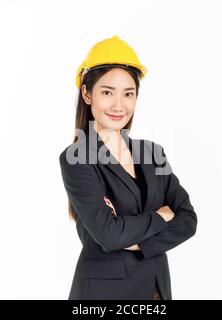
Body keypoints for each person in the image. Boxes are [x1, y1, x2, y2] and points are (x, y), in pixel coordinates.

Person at [59, 35, 197, 300]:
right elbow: (109, 236)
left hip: (157, 290)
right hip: (104, 294)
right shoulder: (77, 158)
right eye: (107, 92)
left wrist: (132, 237)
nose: (118, 105)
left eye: (128, 93)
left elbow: (188, 220)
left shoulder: (152, 153)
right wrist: (161, 217)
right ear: (87, 94)